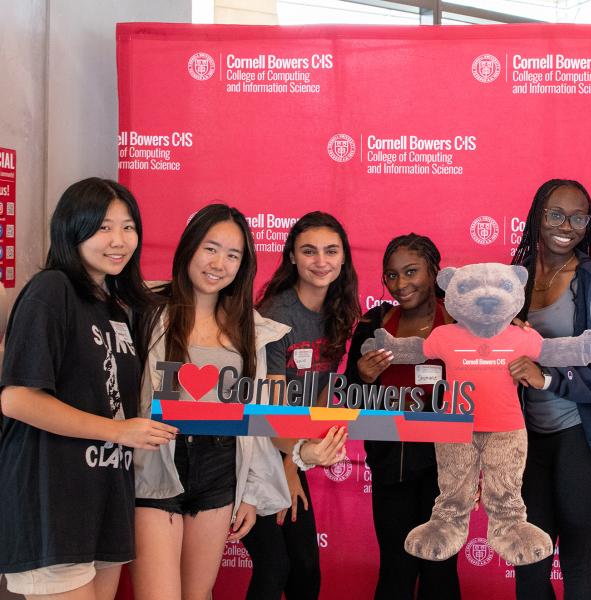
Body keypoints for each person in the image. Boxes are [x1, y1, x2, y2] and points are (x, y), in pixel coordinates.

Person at [130, 204, 346, 600]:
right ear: (189, 248)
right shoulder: (144, 311)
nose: (219, 264)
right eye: (211, 249)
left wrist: (300, 452)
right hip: (155, 464)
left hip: (219, 469)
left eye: (233, 255)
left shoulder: (252, 329)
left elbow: (266, 418)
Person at [0, 178, 176, 599]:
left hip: (103, 502)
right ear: (71, 230)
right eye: (102, 227)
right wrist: (119, 431)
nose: (118, 239)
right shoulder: (52, 290)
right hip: (53, 503)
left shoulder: (115, 306)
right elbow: (17, 398)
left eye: (128, 226)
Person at [508, 179, 591, 600]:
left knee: (579, 563)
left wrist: (548, 378)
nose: (568, 225)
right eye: (556, 215)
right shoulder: (512, 283)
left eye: (579, 217)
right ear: (536, 218)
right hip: (524, 443)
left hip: (585, 435)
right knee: (529, 564)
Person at [245, 211, 363, 600]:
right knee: (275, 568)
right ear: (292, 257)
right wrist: (288, 468)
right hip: (254, 455)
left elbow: (319, 394)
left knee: (306, 570)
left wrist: (298, 460)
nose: (321, 261)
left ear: (344, 257)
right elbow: (271, 407)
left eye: (331, 251)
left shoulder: (340, 313)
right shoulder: (275, 316)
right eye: (309, 251)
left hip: (292, 453)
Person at [345, 233, 461, 600]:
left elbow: (486, 388)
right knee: (396, 567)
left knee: (440, 569)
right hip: (391, 466)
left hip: (449, 469)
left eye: (411, 272)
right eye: (391, 276)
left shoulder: (461, 320)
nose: (401, 284)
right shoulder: (373, 323)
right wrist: (361, 376)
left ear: (434, 271)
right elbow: (348, 397)